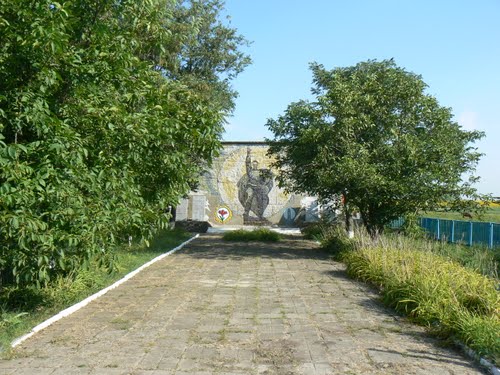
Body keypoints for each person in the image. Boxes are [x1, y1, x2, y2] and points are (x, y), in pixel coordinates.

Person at [238, 147, 273, 223]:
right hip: (250, 186)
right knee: (249, 197)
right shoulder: (250, 171)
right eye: (253, 164)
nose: (254, 165)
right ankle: (246, 213)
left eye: (255, 164)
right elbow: (247, 164)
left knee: (261, 201)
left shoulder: (261, 172)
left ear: (257, 165)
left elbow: (265, 180)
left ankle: (260, 215)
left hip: (258, 188)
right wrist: (248, 154)